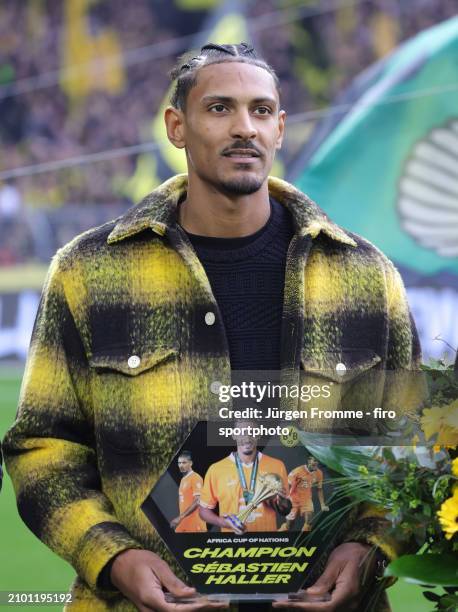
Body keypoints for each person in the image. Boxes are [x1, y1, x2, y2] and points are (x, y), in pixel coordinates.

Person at [3, 42, 421, 611]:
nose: (244, 127)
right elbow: (43, 448)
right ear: (177, 126)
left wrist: (372, 546)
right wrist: (113, 557)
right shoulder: (89, 271)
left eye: (262, 110)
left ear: (280, 128)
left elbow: (411, 448)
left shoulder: (367, 277)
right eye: (220, 108)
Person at [199, 422, 290, 533]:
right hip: (231, 543)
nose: (247, 438)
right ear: (234, 435)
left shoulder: (277, 466)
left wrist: (282, 503)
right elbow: (203, 510)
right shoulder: (216, 469)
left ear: (259, 434)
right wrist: (223, 522)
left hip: (266, 541)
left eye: (252, 432)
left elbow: (285, 509)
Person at [279, 456, 329, 533]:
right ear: (309, 461)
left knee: (309, 521)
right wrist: (284, 500)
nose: (316, 463)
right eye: (314, 460)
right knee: (289, 526)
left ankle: (302, 540)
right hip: (293, 501)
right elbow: (286, 485)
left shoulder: (319, 473)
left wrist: (322, 504)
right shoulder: (297, 471)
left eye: (318, 461)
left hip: (306, 500)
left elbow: (319, 489)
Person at [170, 451, 206, 533]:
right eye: (179, 463)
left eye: (184, 463)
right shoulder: (183, 479)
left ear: (190, 463)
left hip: (195, 526)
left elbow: (198, 501)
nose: (181, 465)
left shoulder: (196, 478)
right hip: (184, 524)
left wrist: (180, 517)